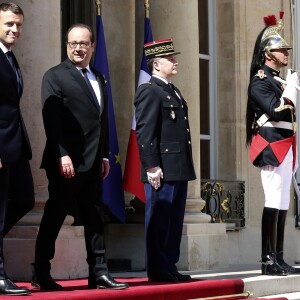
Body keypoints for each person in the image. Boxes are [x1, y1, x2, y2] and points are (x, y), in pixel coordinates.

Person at [31, 23, 128, 291]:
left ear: (92, 46)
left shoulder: (98, 77)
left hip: (94, 162)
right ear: (66, 46)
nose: (78, 48)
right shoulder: (55, 76)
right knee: (55, 215)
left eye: (83, 43)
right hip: (66, 163)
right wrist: (61, 154)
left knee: (94, 217)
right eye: (73, 43)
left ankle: (98, 272)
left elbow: (101, 121)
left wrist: (106, 156)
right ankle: (41, 271)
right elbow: (51, 121)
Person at [134, 39, 196, 282]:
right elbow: (145, 130)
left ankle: (169, 264)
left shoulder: (172, 90)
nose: (175, 61)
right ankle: (158, 269)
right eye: (170, 59)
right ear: (156, 64)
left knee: (174, 220)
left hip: (178, 166)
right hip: (161, 167)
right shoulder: (149, 90)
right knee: (160, 219)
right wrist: (151, 165)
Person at [246, 13, 300, 276]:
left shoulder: (277, 80)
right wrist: (290, 90)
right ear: (268, 53)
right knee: (272, 200)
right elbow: (277, 111)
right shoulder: (260, 80)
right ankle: (267, 261)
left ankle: (278, 257)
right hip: (271, 146)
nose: (285, 53)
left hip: (286, 144)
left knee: (282, 203)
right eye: (280, 49)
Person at [0, 2, 34, 296]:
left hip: (15, 143)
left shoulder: (9, 57)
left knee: (24, 199)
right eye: (9, 24)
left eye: (19, 25)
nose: (15, 29)